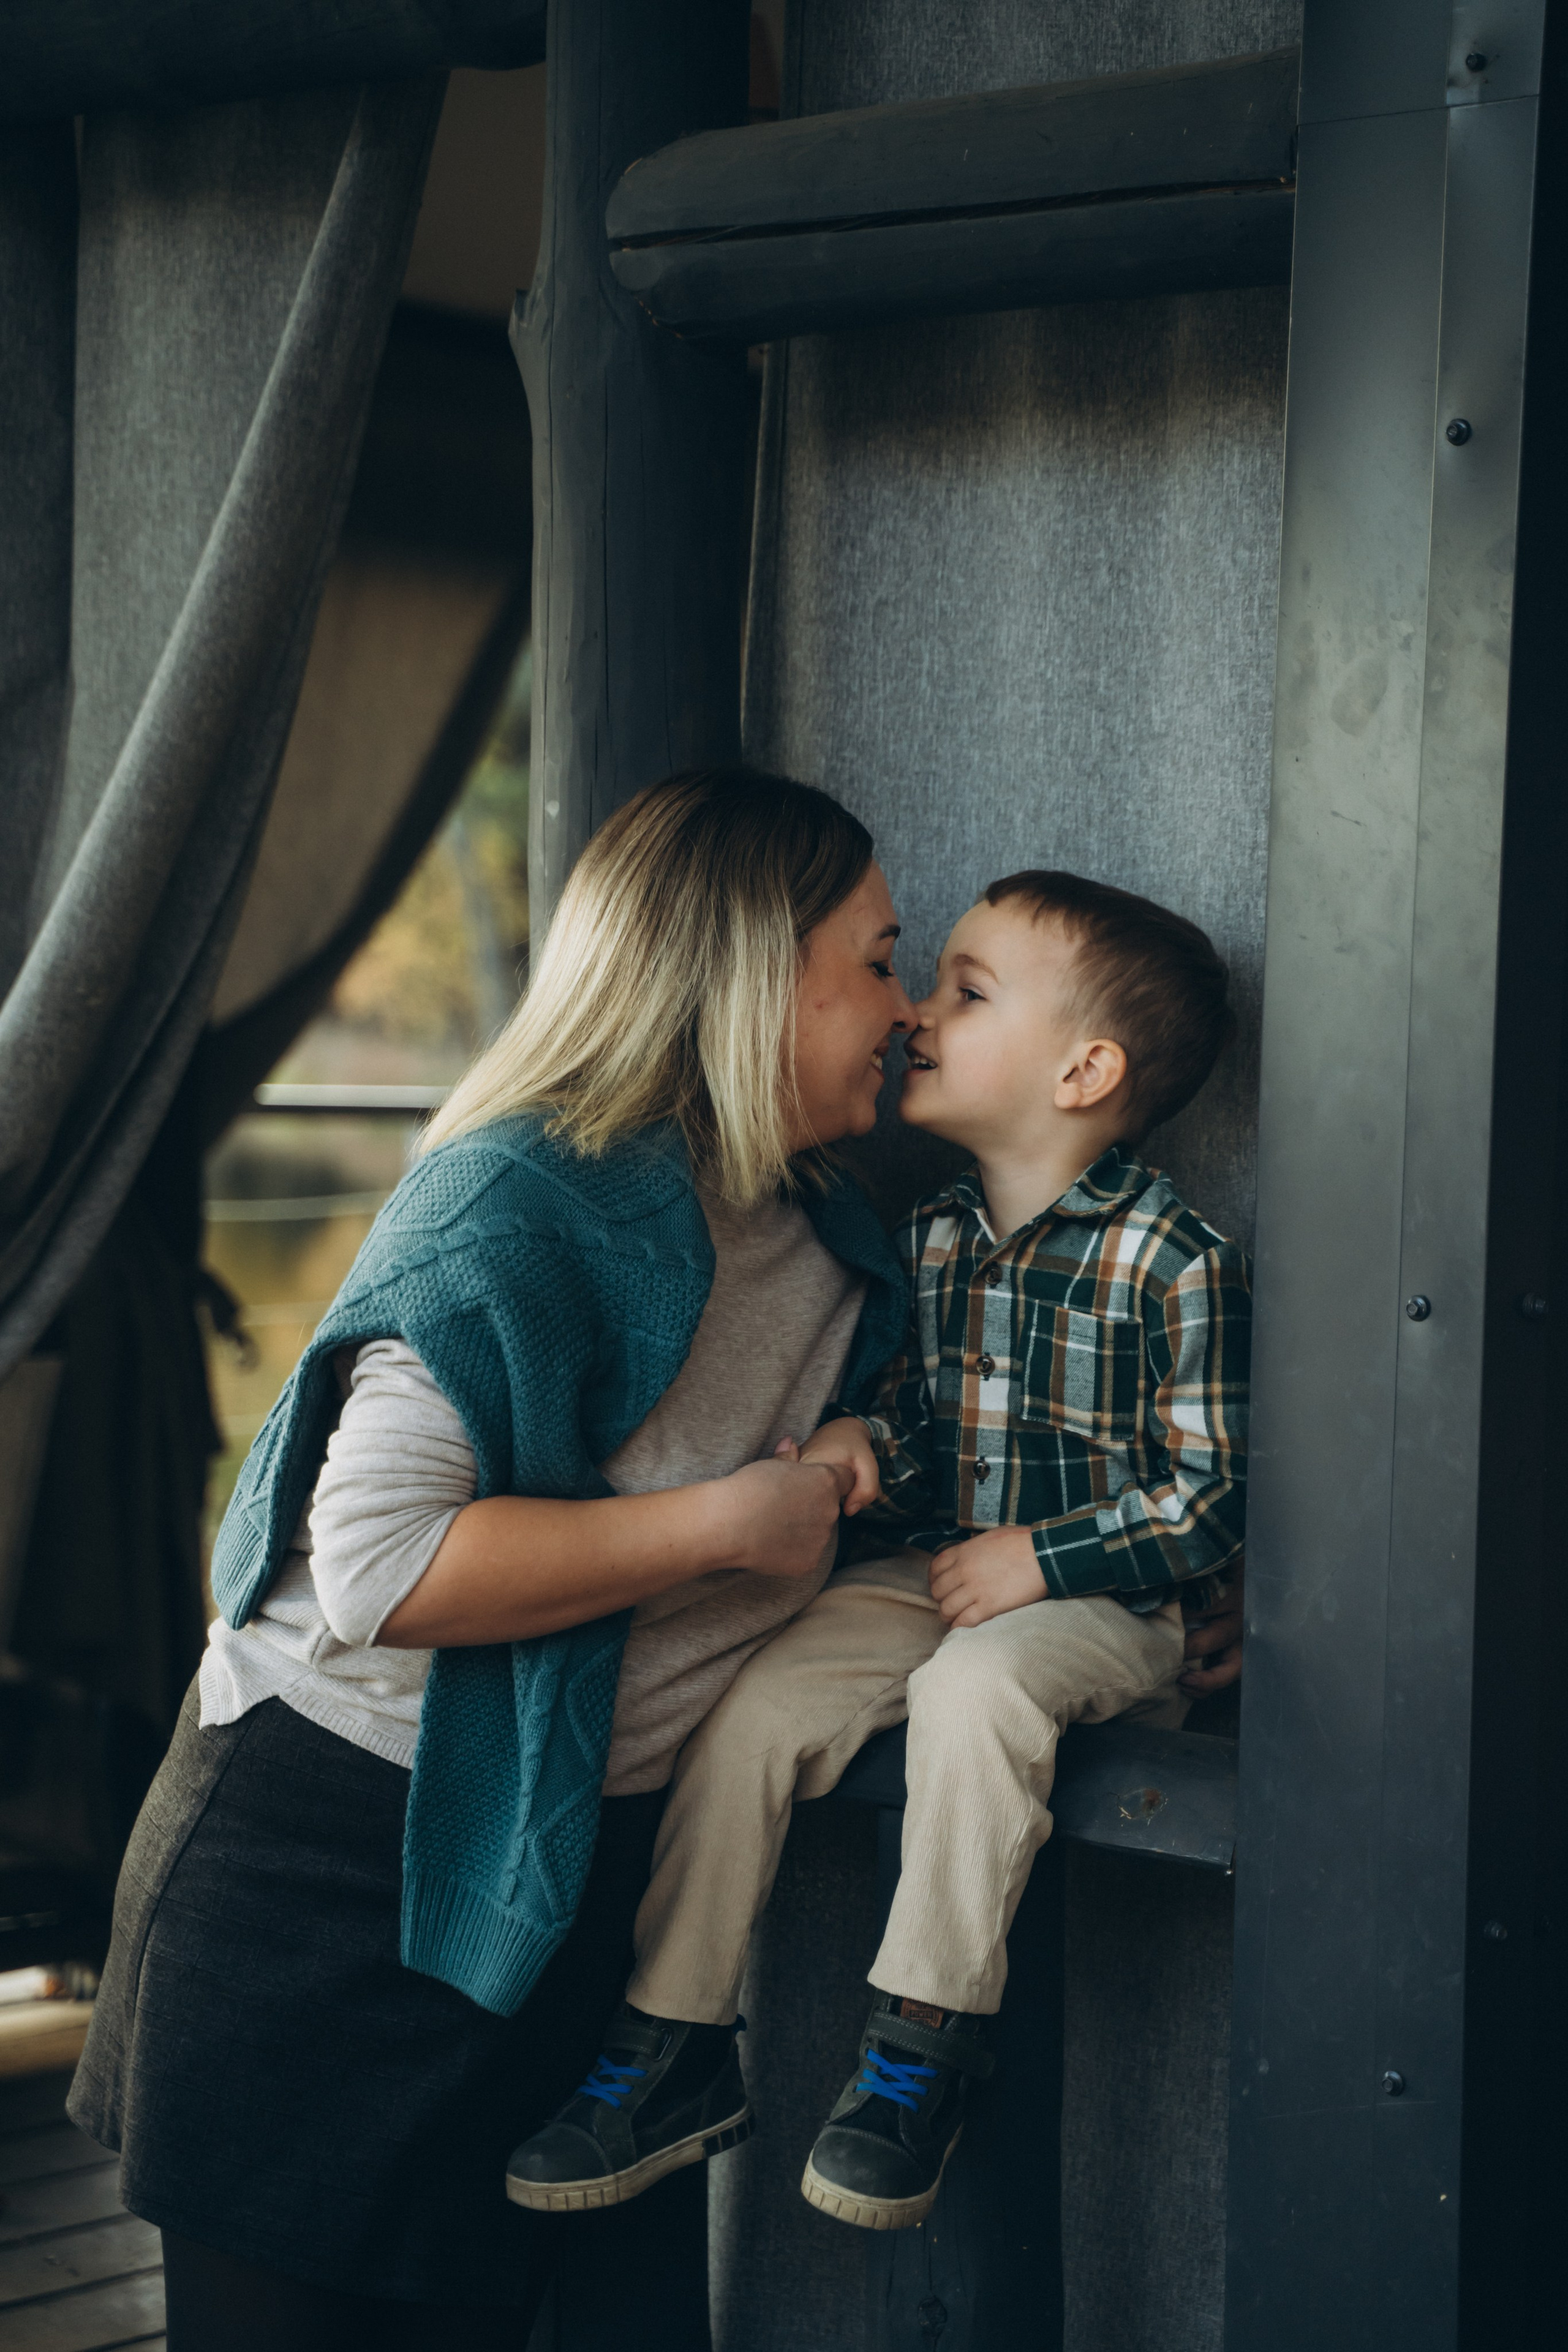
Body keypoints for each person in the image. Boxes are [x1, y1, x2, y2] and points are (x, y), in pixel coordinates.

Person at [67, 769, 922, 2346]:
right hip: (328, 1878)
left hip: (582, 1907)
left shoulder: (835, 1242)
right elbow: (379, 1565)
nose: (908, 1006)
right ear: (749, 974)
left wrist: (1148, 1602)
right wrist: (725, 1525)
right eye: (875, 961)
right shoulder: (521, 1199)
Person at [506, 869, 1250, 2234]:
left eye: (966, 993)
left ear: (1083, 1072)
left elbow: (1208, 1498)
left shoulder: (1174, 1258)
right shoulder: (932, 1238)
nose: (916, 1016)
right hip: (931, 1573)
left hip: (1102, 1601)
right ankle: (670, 2040)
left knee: (978, 1691)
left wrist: (1042, 1558)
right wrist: (862, 1443)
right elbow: (919, 1427)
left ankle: (922, 2047)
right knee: (753, 1707)